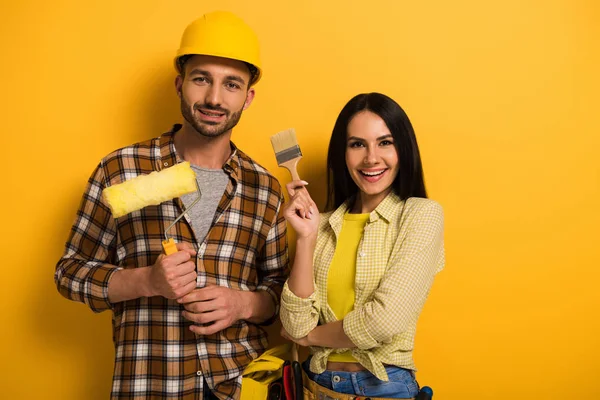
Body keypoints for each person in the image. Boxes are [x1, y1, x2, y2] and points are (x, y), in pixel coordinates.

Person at [55, 11, 288, 400]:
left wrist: (243, 302)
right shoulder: (122, 169)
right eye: (202, 79)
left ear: (247, 97)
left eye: (231, 84)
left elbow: (280, 294)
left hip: (239, 384)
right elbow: (69, 273)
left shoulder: (265, 188)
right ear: (180, 84)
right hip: (150, 385)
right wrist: (146, 280)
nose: (214, 98)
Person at [279, 92, 445, 399]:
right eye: (357, 144)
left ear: (403, 149)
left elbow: (386, 318)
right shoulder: (323, 225)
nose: (371, 158)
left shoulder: (421, 215)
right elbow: (293, 321)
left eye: (385, 142)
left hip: (385, 387)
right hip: (316, 385)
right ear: (343, 153)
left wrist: (312, 336)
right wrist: (306, 237)